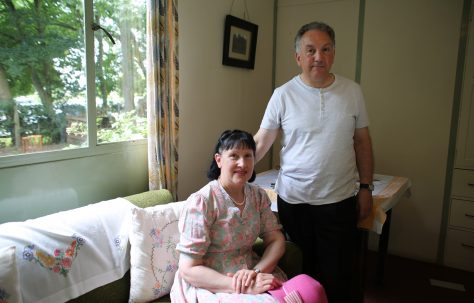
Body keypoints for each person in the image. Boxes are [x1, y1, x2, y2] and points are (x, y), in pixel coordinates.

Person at [254, 21, 374, 303]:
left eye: (325, 49)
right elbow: (262, 141)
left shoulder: (352, 92)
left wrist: (366, 187)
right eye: (310, 50)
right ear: (298, 57)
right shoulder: (282, 94)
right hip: (294, 202)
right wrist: (232, 166)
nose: (318, 57)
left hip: (339, 200)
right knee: (299, 270)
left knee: (337, 274)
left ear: (333, 54)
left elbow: (363, 142)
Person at [170, 129, 327, 303]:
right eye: (234, 156)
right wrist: (241, 285)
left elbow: (276, 240)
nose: (242, 163)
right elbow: (188, 269)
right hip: (212, 283)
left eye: (248, 156)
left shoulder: (257, 196)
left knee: (310, 290)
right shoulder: (203, 202)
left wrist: (256, 272)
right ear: (219, 160)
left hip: (252, 272)